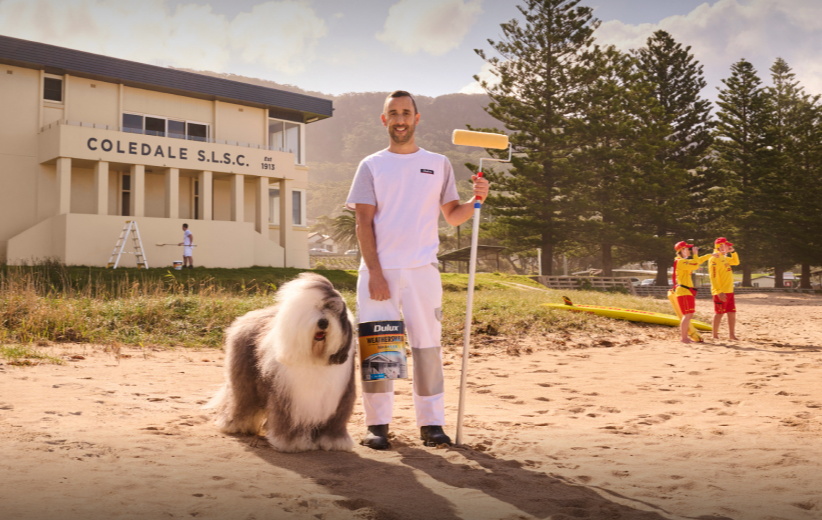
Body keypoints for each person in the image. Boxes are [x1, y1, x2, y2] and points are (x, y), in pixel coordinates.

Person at [345, 90, 490, 450]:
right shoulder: (371, 164)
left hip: (423, 271)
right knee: (381, 346)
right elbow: (363, 222)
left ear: (417, 118)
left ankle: (432, 425)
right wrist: (376, 272)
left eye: (406, 113)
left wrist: (477, 200)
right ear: (384, 120)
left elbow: (453, 214)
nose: (400, 119)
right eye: (393, 113)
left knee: (428, 348)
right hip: (380, 272)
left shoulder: (438, 163)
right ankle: (378, 426)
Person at [673, 241, 716, 344]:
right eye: (688, 249)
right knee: (687, 315)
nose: (690, 251)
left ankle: (685, 337)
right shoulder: (680, 262)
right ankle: (683, 338)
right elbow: (696, 264)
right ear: (682, 250)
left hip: (687, 291)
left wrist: (710, 255)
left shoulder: (684, 261)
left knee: (689, 315)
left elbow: (698, 261)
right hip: (683, 291)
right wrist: (696, 254)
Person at [709, 237, 740, 340]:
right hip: (721, 291)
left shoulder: (724, 258)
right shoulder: (714, 258)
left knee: (732, 313)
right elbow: (713, 277)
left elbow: (736, 262)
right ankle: (714, 335)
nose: (728, 247)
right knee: (719, 313)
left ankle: (731, 334)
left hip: (729, 291)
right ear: (720, 246)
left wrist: (733, 251)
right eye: (727, 246)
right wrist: (719, 291)